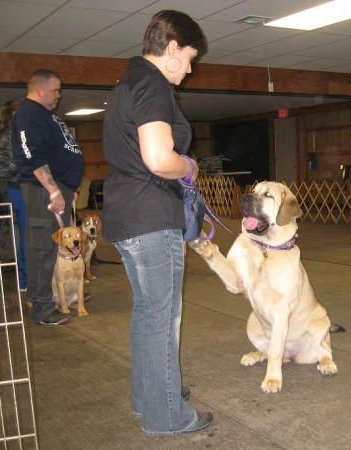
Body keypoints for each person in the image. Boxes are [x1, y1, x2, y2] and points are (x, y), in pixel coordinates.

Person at [101, 10, 212, 435]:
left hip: (128, 213)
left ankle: (150, 397)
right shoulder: (151, 83)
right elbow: (157, 158)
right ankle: (167, 417)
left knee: (148, 314)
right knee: (161, 317)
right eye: (187, 58)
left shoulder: (128, 81)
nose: (189, 68)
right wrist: (188, 165)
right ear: (169, 50)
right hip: (150, 213)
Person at [11, 69, 84, 325]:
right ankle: (42, 309)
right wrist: (54, 190)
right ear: (39, 89)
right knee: (42, 248)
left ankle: (62, 294)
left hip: (58, 188)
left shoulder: (44, 115)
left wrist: (67, 186)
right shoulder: (29, 114)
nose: (59, 95)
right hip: (44, 191)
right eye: (55, 90)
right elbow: (34, 157)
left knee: (54, 247)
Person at [0, 100, 27, 291]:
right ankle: (25, 281)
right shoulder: (8, 136)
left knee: (31, 234)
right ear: (12, 115)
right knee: (25, 234)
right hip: (18, 189)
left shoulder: (23, 133)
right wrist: (20, 169)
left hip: (28, 189)